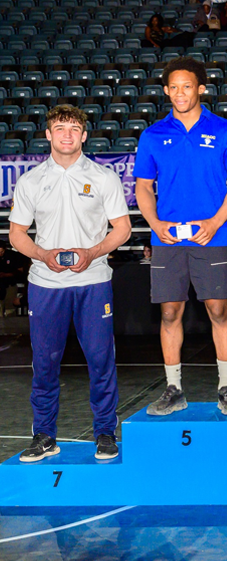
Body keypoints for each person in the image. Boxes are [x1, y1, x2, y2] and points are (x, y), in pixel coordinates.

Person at [9, 105, 131, 463]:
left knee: (100, 359)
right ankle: (44, 435)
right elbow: (17, 234)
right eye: (59, 128)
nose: (66, 134)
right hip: (45, 284)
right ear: (47, 135)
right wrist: (43, 255)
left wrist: (92, 252)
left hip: (93, 282)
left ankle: (105, 433)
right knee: (45, 363)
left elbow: (121, 229)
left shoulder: (104, 177)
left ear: (84, 135)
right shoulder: (31, 180)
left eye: (73, 128)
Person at [135, 58, 227, 417]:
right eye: (174, 87)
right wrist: (155, 224)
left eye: (188, 86)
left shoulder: (225, 130)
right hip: (167, 240)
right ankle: (173, 389)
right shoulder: (152, 134)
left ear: (201, 88)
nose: (180, 93)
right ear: (166, 90)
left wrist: (215, 222)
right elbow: (142, 187)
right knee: (170, 312)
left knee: (218, 308)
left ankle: (226, 387)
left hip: (212, 237)